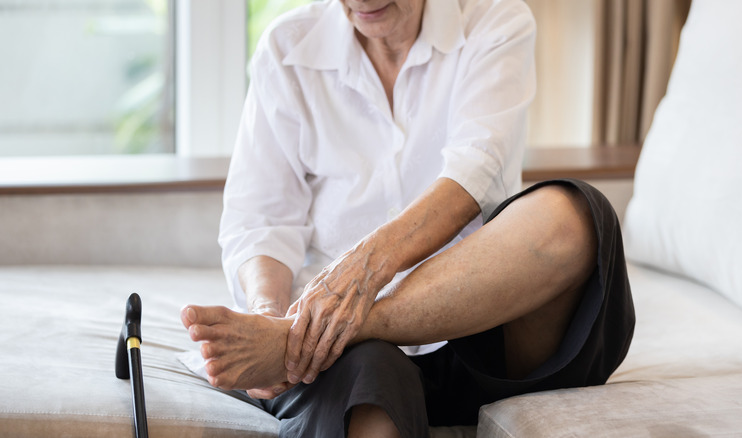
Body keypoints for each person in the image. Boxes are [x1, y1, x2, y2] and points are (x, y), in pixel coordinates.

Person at [180, 0, 635, 436]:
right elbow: (261, 221)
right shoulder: (288, 48)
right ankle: (313, 338)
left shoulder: (495, 21)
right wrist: (267, 312)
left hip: (478, 332)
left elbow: (475, 173)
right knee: (372, 381)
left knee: (573, 213)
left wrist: (355, 280)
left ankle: (314, 335)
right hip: (347, 366)